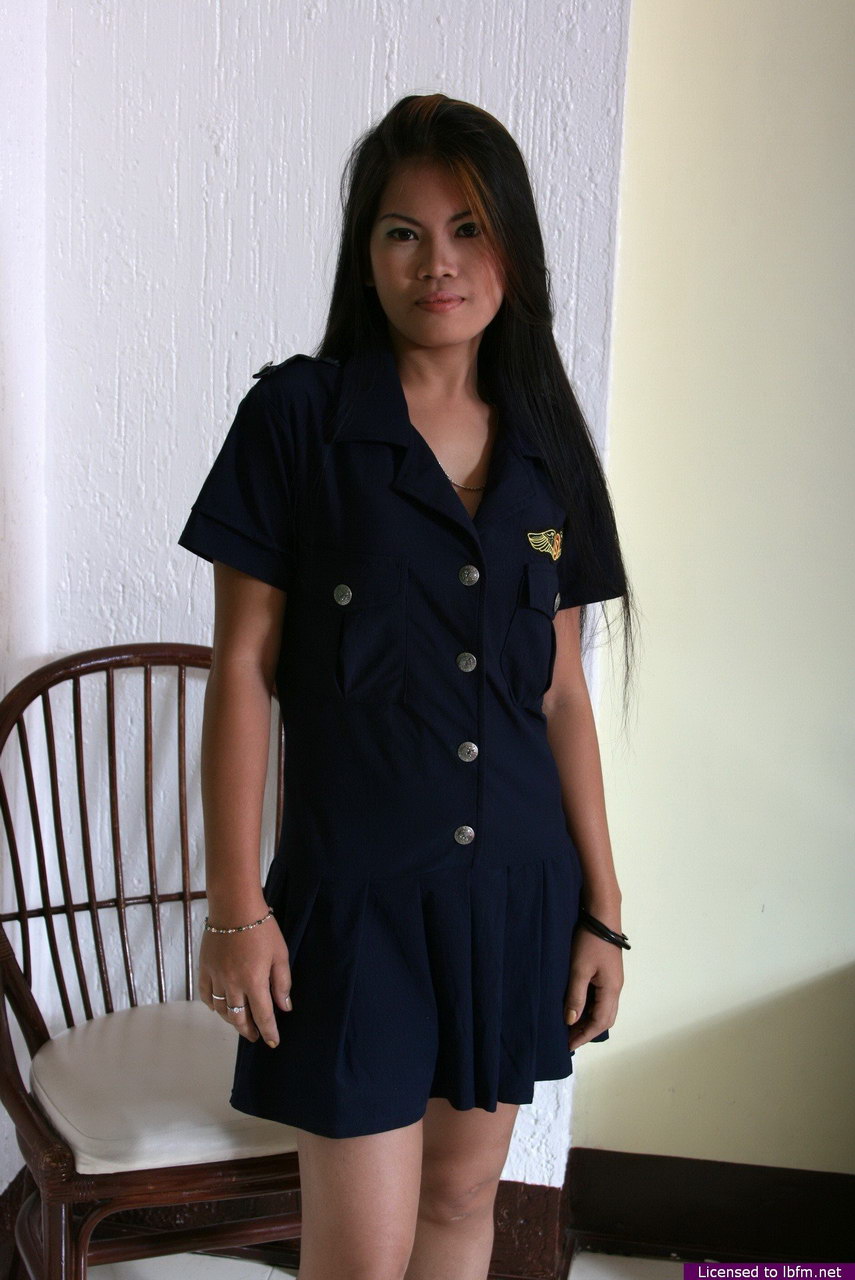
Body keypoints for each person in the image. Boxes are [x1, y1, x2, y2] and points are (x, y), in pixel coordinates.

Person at [178, 92, 638, 1280]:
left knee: (463, 1196)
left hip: (515, 893)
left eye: (470, 228)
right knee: (359, 1251)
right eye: (405, 232)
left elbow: (562, 695)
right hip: (357, 904)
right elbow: (243, 667)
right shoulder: (298, 419)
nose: (440, 262)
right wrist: (236, 902)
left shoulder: (548, 444)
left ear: (514, 248)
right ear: (366, 252)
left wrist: (603, 909)